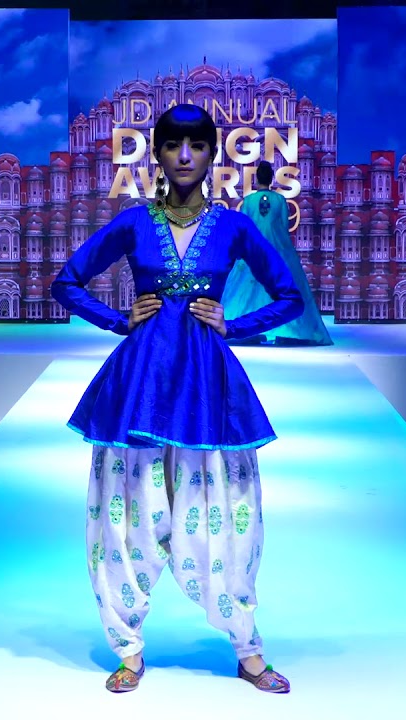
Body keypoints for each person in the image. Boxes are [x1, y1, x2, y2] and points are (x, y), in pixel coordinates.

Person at [50, 103, 298, 694]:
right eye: (172, 145)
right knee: (125, 517)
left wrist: (234, 325)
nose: (185, 156)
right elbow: (66, 281)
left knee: (226, 515)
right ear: (156, 154)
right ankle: (129, 648)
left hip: (208, 385)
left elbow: (290, 295)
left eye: (197, 145)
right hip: (139, 385)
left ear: (214, 154)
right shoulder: (135, 222)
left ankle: (248, 648)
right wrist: (118, 320)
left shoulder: (234, 227)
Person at [220, 161, 331, 346]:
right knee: (284, 288)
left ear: (256, 179)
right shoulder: (280, 200)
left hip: (253, 249)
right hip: (278, 248)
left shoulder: (248, 201)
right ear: (271, 179)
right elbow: (284, 227)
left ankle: (248, 331)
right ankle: (289, 332)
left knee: (247, 288)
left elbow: (244, 228)